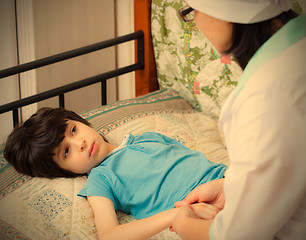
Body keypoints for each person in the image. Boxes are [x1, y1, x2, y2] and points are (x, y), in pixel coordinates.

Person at [172, 0, 306, 239]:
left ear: (221, 10)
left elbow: (239, 235)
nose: (197, 24)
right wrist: (231, 186)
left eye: (192, 12)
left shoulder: (265, 95)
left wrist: (184, 225)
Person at [4, 107, 227, 239]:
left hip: (230, 184)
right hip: (201, 214)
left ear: (82, 122)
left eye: (73, 130)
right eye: (66, 151)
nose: (79, 143)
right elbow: (110, 235)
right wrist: (176, 215)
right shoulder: (101, 179)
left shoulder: (148, 136)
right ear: (63, 171)